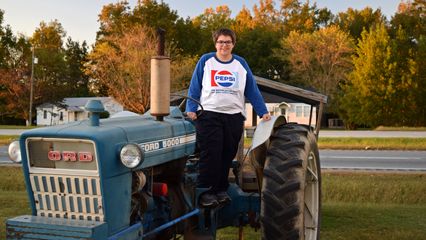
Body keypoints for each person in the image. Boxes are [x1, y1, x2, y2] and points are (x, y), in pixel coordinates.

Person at [186, 28, 271, 207]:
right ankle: (206, 192)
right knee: (211, 153)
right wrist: (191, 108)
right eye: (221, 42)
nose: (224, 45)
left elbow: (251, 89)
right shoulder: (206, 61)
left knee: (227, 154)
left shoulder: (240, 63)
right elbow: (195, 86)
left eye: (227, 42)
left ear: (233, 44)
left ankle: (221, 190)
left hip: (234, 116)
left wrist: (262, 110)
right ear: (215, 43)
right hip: (209, 114)